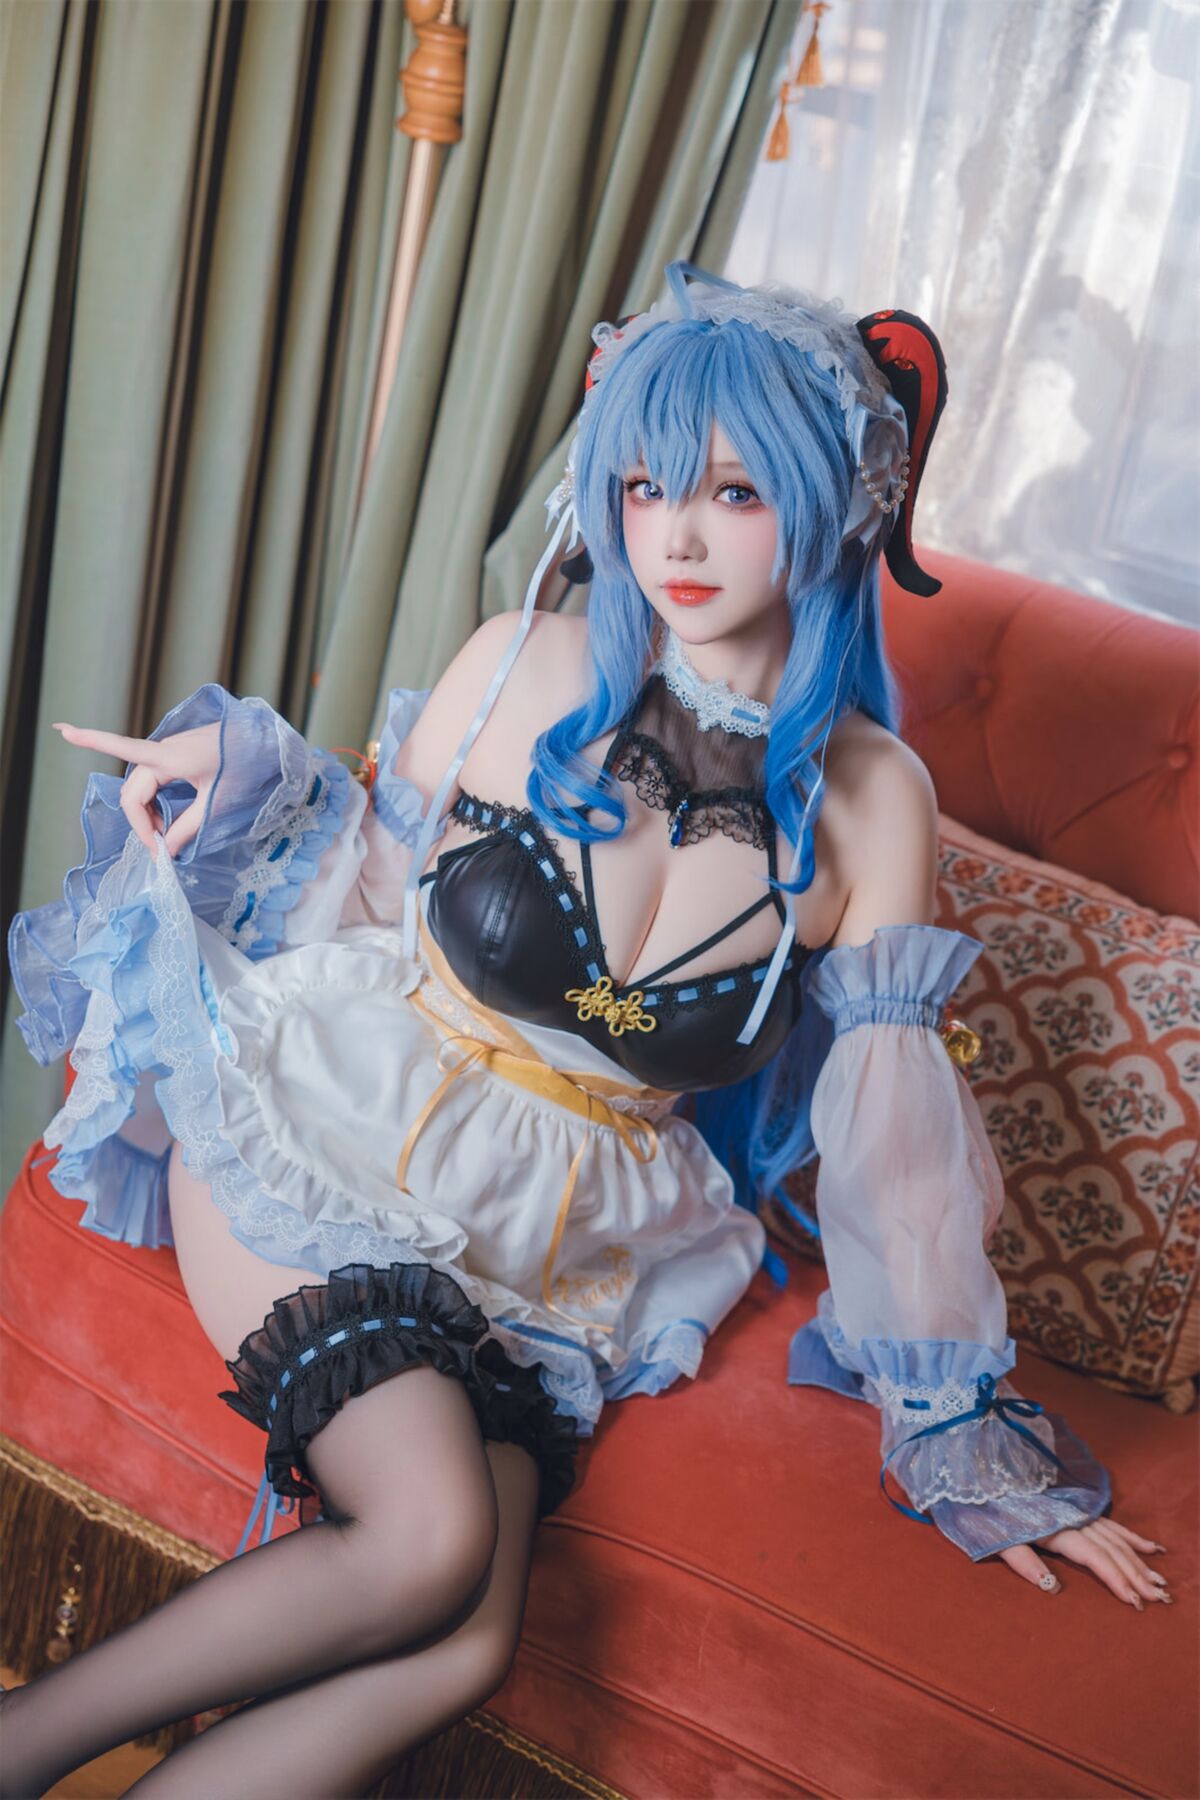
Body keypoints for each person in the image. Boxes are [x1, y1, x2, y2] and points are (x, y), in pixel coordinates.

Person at [1, 260, 1168, 1798]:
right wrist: (246, 788)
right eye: (645, 485)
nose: (675, 536)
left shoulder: (877, 804)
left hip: (556, 1242)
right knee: (429, 1542)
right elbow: (368, 890)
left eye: (735, 492)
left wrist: (962, 1432)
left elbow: (896, 1147)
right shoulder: (523, 662)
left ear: (839, 503)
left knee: (461, 1648)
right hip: (332, 1128)